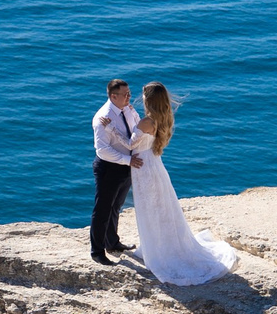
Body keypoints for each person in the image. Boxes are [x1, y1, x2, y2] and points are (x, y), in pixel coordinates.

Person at [125, 83, 239, 286]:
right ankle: (160, 246)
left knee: (149, 209)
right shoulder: (161, 119)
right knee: (160, 208)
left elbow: (129, 144)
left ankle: (157, 251)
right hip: (154, 165)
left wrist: (110, 128)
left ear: (148, 99)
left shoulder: (146, 122)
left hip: (144, 169)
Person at [89, 78, 141, 266]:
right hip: (109, 168)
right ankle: (97, 251)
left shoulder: (127, 109)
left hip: (127, 166)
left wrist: (129, 161)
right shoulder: (103, 117)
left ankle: (112, 242)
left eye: (129, 93)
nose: (129, 97)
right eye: (125, 94)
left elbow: (136, 129)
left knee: (116, 206)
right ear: (113, 96)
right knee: (102, 210)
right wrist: (128, 160)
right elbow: (102, 150)